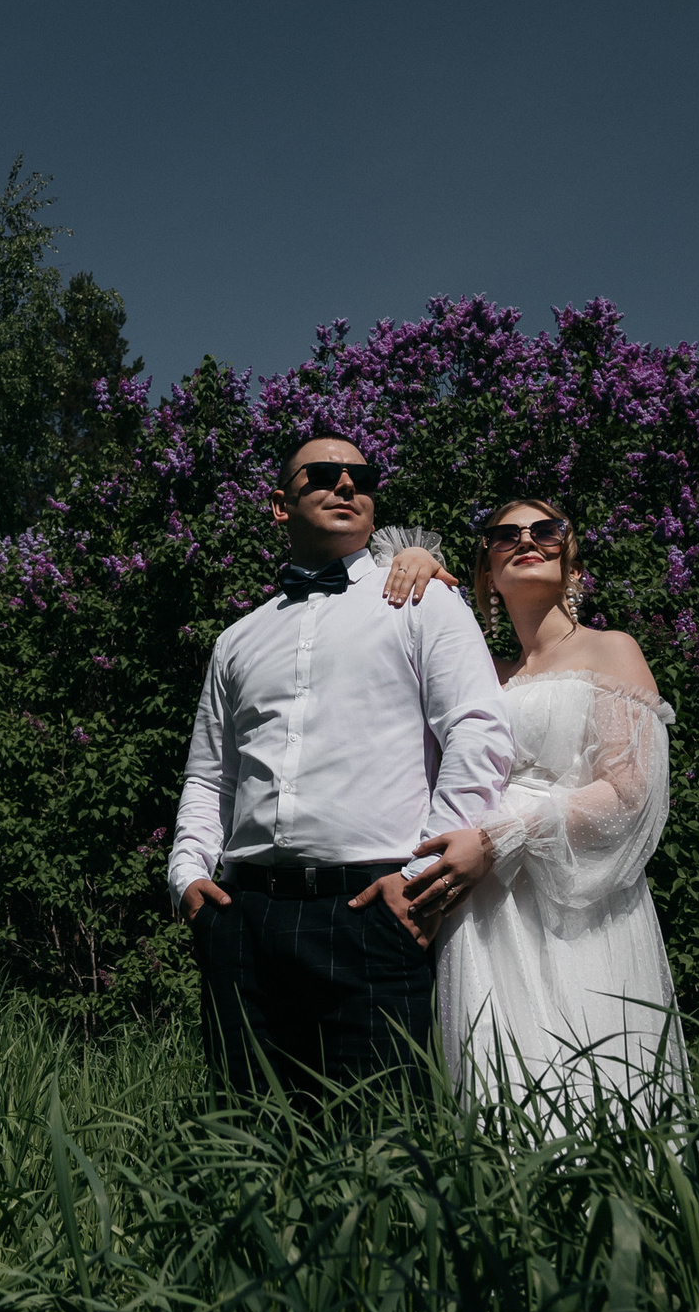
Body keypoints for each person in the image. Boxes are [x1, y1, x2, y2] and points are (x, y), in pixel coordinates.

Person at [168, 430, 514, 1106]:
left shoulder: (425, 601)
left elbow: (478, 732)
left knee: (378, 1157)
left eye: (362, 474)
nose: (347, 484)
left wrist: (419, 879)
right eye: (323, 473)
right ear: (279, 504)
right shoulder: (237, 639)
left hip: (371, 911)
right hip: (243, 916)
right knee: (247, 1146)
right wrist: (186, 875)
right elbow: (211, 775)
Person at [374, 500, 688, 1114]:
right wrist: (412, 563)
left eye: (545, 531)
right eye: (505, 535)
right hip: (486, 903)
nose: (527, 541)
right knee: (498, 1078)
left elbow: (630, 793)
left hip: (579, 899)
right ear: (485, 572)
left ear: (571, 563)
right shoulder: (482, 673)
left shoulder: (610, 650)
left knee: (594, 1065)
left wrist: (500, 838)